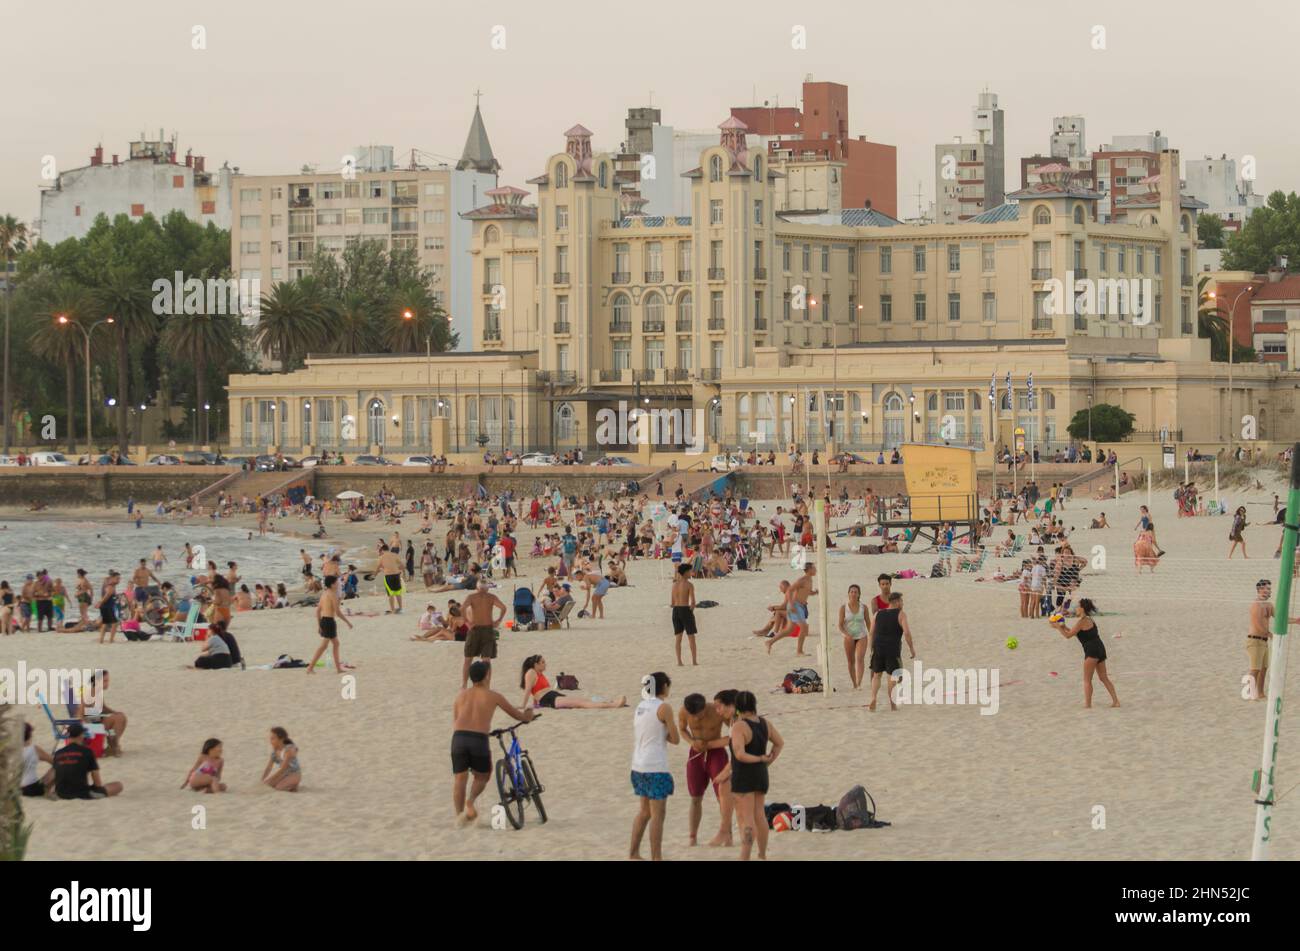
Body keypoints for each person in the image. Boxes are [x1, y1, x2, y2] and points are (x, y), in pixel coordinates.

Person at [451, 659, 535, 824]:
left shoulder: (460, 695)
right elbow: (518, 716)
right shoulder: (493, 696)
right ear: (486, 676)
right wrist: (528, 715)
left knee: (460, 779)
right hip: (478, 740)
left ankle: (459, 817)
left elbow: (456, 720)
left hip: (458, 738)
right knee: (482, 776)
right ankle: (470, 801)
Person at [629, 671, 679, 861]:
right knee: (658, 815)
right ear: (664, 687)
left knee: (644, 812)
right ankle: (656, 857)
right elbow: (675, 739)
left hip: (638, 765)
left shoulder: (640, 706)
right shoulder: (664, 708)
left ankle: (633, 853)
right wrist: (664, 733)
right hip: (655, 766)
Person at [729, 690, 783, 862]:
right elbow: (779, 743)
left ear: (737, 708)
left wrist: (760, 758)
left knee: (747, 820)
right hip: (760, 773)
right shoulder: (765, 724)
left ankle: (744, 857)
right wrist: (767, 761)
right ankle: (762, 854)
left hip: (744, 775)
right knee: (759, 815)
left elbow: (739, 754)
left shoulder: (739, 727)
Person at [678, 691, 734, 847]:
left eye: (700, 715)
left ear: (705, 707)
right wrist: (691, 741)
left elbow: (732, 737)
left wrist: (708, 745)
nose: (696, 718)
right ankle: (692, 836)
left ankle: (728, 835)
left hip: (716, 753)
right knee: (695, 797)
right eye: (693, 716)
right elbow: (682, 729)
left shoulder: (717, 711)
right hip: (696, 754)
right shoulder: (683, 711)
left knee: (722, 797)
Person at [1050, 599, 1119, 709]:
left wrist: (1058, 627)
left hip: (1091, 651)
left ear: (1082, 608)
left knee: (1087, 680)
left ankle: (1088, 705)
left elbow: (1068, 636)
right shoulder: (1088, 619)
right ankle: (1116, 701)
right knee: (1103, 677)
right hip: (1100, 648)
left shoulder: (1081, 622)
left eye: (1077, 606)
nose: (1076, 608)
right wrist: (1063, 627)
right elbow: (1075, 632)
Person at [519, 655, 626, 709]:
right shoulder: (531, 672)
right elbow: (528, 690)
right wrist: (523, 706)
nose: (545, 664)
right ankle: (614, 705)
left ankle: (610, 702)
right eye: (542, 662)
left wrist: (535, 704)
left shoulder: (538, 673)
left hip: (552, 696)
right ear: (535, 665)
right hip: (549, 699)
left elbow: (534, 690)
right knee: (581, 703)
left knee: (583, 700)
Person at [867, 591, 915, 712]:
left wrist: (871, 648)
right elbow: (907, 633)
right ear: (897, 602)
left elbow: (871, 632)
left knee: (877, 675)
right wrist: (911, 648)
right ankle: (892, 704)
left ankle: (873, 698)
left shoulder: (878, 614)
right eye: (902, 601)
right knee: (891, 677)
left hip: (878, 647)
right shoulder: (901, 614)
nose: (902, 604)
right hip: (892, 649)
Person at [52, 723, 123, 799]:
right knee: (118, 785)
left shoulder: (58, 753)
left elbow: (54, 775)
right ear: (81, 735)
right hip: (82, 793)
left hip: (61, 793)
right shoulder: (87, 752)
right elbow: (97, 783)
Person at [462, 578, 506, 688]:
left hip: (482, 629)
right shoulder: (489, 597)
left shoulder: (474, 597)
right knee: (476, 659)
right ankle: (471, 684)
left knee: (477, 659)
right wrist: (498, 620)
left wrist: (467, 622)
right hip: (481, 629)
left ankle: (470, 685)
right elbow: (503, 608)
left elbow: (462, 608)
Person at [307, 577, 353, 674]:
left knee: (335, 644)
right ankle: (310, 668)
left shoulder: (324, 594)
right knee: (324, 646)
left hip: (324, 620)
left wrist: (319, 625)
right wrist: (348, 622)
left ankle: (338, 669)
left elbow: (318, 611)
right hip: (329, 622)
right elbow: (337, 612)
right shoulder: (332, 595)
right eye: (337, 583)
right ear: (332, 585)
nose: (338, 585)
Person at [839, 584, 869, 689]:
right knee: (851, 661)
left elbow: (868, 623)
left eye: (855, 592)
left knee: (860, 658)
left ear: (859, 594)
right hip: (849, 637)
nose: (853, 593)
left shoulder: (863, 607)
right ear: (848, 594)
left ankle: (859, 682)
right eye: (851, 591)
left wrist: (873, 636)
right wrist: (846, 635)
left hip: (862, 635)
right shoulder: (843, 608)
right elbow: (840, 625)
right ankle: (854, 684)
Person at [670, 564, 698, 666]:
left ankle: (679, 661)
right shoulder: (689, 585)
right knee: (691, 637)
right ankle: (694, 661)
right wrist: (691, 611)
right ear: (686, 572)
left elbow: (672, 603)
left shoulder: (674, 585)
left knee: (678, 638)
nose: (691, 573)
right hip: (685, 609)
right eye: (690, 571)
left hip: (676, 610)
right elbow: (693, 602)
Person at [20, 722, 55, 797]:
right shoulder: (34, 749)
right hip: (31, 788)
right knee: (61, 766)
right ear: (30, 735)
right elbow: (54, 762)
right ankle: (48, 791)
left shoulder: (10, 750)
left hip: (14, 788)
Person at [261, 726, 301, 791]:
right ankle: (291, 785)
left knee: (279, 788)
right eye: (270, 738)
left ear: (281, 739)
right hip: (283, 774)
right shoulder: (274, 753)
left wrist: (270, 779)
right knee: (269, 785)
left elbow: (282, 769)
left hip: (294, 774)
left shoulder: (288, 749)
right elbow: (268, 768)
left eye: (273, 738)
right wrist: (262, 780)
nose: (270, 741)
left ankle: (294, 786)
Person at [378, 544, 405, 613]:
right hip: (396, 575)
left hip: (388, 576)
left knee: (390, 594)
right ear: (388, 549)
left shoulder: (382, 557)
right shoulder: (394, 555)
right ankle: (400, 608)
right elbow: (402, 565)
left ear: (382, 550)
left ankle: (392, 609)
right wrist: (397, 569)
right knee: (398, 592)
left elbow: (378, 567)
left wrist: (374, 574)